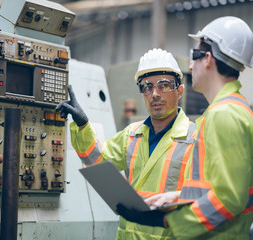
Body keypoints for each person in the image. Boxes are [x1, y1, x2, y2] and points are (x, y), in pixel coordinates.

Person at [117, 16, 253, 240]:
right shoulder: (231, 110)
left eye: (194, 56)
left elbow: (228, 199)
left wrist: (166, 220)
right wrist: (175, 198)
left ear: (208, 59)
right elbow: (213, 188)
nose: (190, 65)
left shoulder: (224, 115)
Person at [56, 48, 196, 239]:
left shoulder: (194, 138)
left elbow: (202, 200)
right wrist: (82, 124)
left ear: (179, 91)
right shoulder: (132, 134)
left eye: (163, 85)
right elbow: (96, 160)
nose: (154, 94)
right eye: (147, 87)